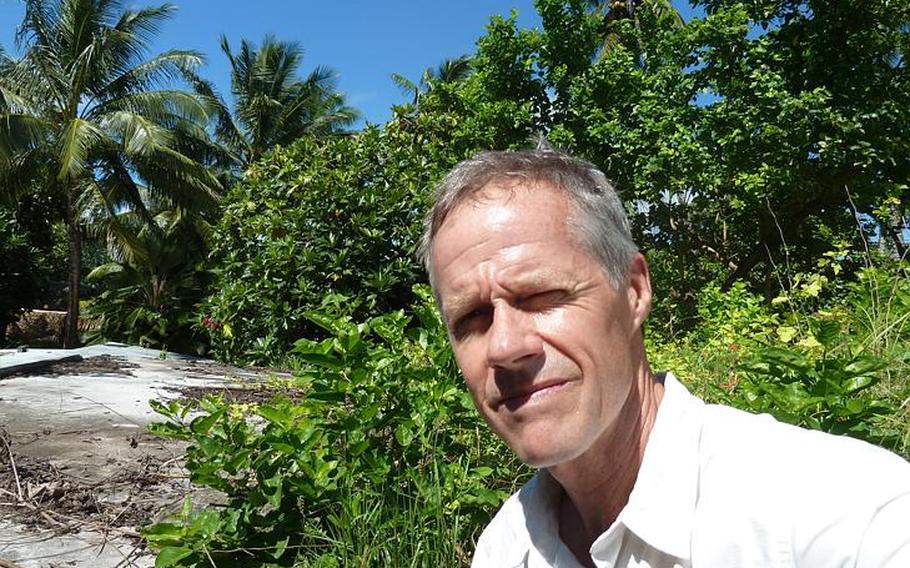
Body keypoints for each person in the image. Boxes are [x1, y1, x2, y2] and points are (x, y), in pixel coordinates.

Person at [417, 148, 910, 568]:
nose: (504, 347)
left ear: (634, 291)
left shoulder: (843, 512)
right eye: (472, 319)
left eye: (541, 296)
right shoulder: (505, 550)